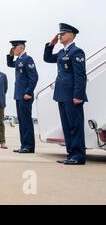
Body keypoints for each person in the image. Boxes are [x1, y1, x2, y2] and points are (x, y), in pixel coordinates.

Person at [44, 23, 88, 165]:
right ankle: (71, 154)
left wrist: (78, 95)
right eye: (59, 33)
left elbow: (80, 75)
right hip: (62, 94)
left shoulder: (77, 52)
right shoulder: (62, 53)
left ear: (71, 35)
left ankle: (78, 156)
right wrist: (51, 44)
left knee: (75, 125)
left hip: (72, 95)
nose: (60, 36)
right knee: (67, 126)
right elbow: (47, 58)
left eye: (63, 33)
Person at [7, 41, 38, 153]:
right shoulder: (19, 60)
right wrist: (10, 55)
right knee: (21, 121)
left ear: (21, 47)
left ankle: (29, 146)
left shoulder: (27, 59)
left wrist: (29, 92)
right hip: (19, 95)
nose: (13, 50)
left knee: (26, 121)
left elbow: (34, 77)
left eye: (14, 48)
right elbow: (10, 64)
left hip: (25, 95)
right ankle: (24, 144)